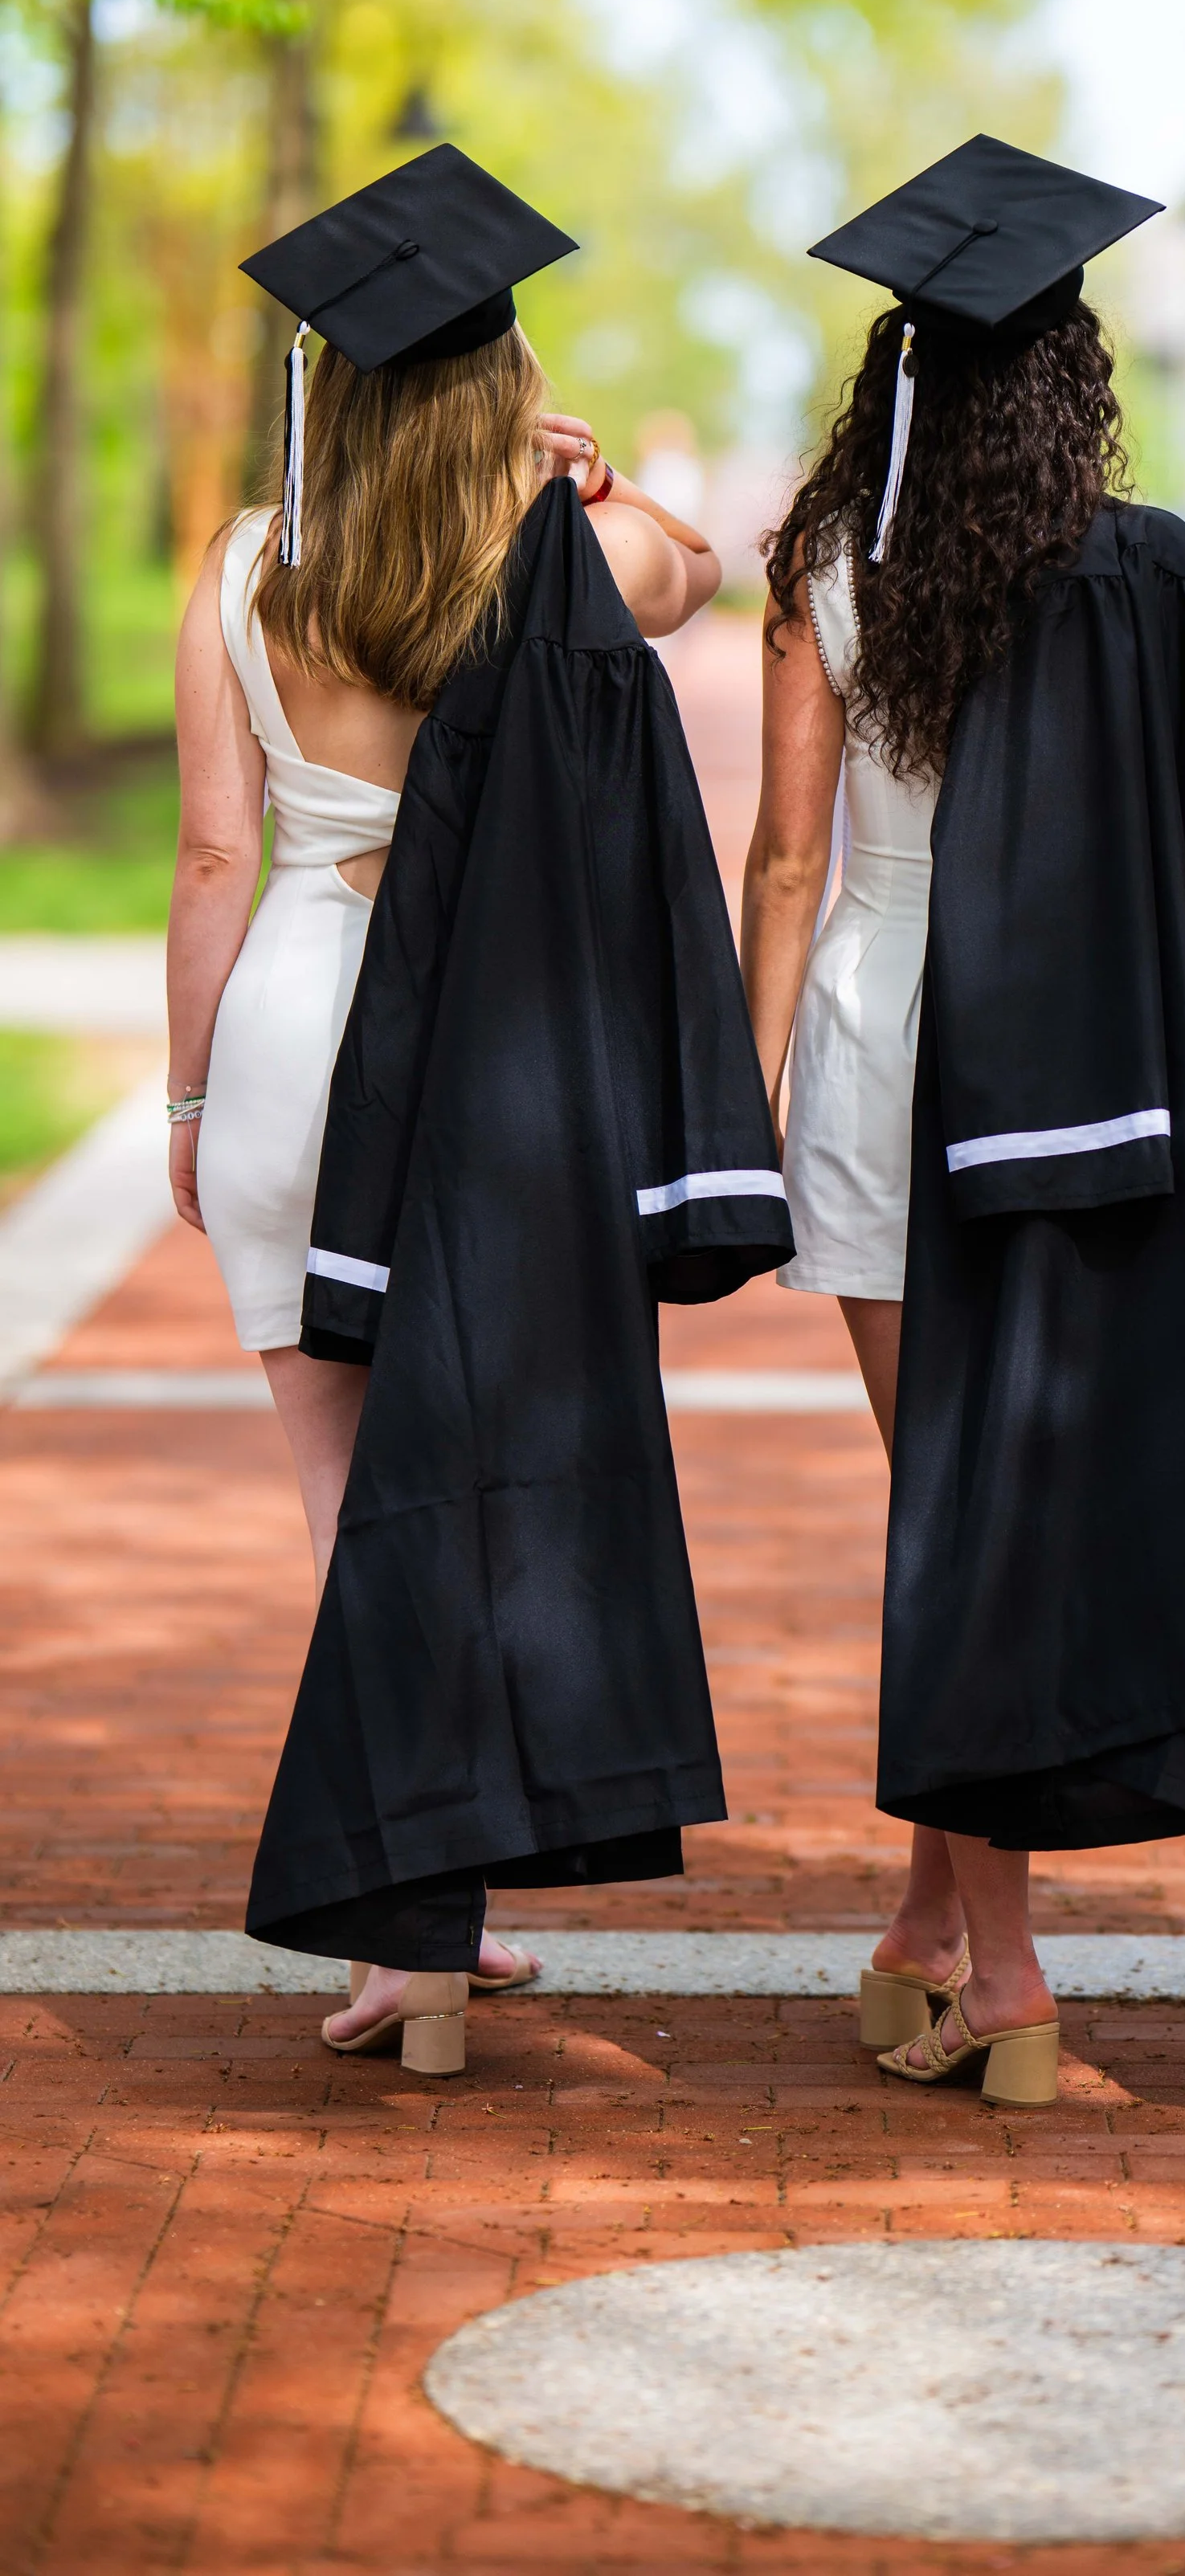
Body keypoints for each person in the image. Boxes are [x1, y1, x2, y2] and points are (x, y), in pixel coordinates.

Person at [766, 137, 1185, 2104]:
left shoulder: (822, 567)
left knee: (937, 1518)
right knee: (986, 1526)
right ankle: (929, 1918)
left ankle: (1007, 1967)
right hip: (1077, 1086)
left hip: (882, 1057)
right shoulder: (1146, 579)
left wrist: (742, 1096)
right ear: (1074, 382)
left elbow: (784, 860)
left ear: (889, 378)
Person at [177, 144, 787, 2074]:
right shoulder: (570, 551)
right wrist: (602, 475)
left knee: (353, 1506)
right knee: (484, 1483)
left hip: (296, 1022)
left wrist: (190, 1099)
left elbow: (211, 851)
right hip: (497, 1069)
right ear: (504, 387)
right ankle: (440, 1915)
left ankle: (415, 1937)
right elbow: (703, 570)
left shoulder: (251, 566)